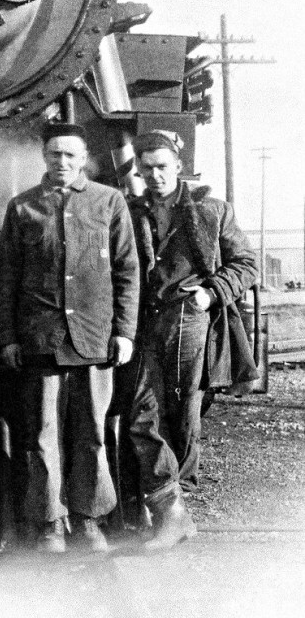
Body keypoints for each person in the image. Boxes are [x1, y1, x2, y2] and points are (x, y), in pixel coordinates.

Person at [0, 122, 140, 553]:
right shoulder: (23, 207)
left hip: (94, 335)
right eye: (55, 154)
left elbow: (127, 271)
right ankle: (50, 523)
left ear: (84, 159)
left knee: (92, 431)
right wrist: (8, 337)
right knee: (43, 434)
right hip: (41, 337)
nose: (62, 162)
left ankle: (89, 519)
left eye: (70, 155)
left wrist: (124, 332)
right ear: (44, 156)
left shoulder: (109, 201)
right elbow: (6, 279)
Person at [127, 129, 258, 550]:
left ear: (178, 166)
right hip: (145, 321)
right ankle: (171, 510)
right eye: (147, 168)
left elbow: (246, 264)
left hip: (190, 319)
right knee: (143, 414)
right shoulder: (130, 211)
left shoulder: (211, 210)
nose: (155, 175)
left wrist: (210, 293)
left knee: (184, 414)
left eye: (162, 166)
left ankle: (172, 512)